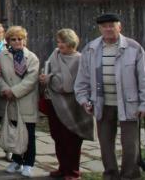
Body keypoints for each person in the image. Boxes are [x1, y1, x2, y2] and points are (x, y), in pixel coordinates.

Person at [75, 13, 145, 180]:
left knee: (130, 145)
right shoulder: (90, 49)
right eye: (105, 26)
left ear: (120, 27)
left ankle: (130, 175)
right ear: (100, 29)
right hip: (102, 105)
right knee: (105, 144)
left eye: (112, 25)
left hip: (129, 105)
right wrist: (83, 100)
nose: (108, 29)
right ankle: (111, 175)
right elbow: (82, 79)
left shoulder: (134, 48)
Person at [40, 29, 94, 180]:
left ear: (71, 43)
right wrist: (44, 77)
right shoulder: (55, 54)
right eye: (58, 41)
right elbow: (47, 70)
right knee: (57, 136)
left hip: (72, 104)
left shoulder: (80, 59)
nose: (60, 45)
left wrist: (51, 78)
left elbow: (68, 85)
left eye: (63, 42)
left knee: (71, 138)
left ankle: (73, 172)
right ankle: (62, 168)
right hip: (53, 102)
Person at [0, 26, 40, 178]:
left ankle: (28, 163)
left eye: (19, 39)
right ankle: (16, 161)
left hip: (25, 100)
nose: (17, 42)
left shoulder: (32, 57)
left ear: (24, 40)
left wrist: (14, 91)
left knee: (28, 134)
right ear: (8, 41)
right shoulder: (2, 55)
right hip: (10, 101)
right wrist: (4, 89)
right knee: (14, 132)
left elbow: (31, 79)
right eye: (13, 39)